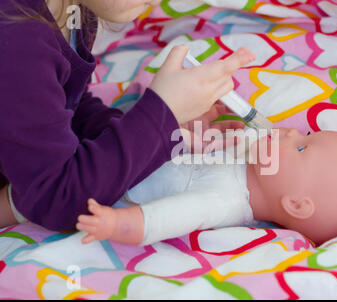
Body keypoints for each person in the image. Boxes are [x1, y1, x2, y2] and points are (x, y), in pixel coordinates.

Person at [0, 0, 255, 230]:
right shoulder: (18, 41)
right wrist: (160, 114)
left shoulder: (72, 10)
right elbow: (58, 199)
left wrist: (155, 126)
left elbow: (66, 102)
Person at [76, 128, 337, 246]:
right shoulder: (250, 161)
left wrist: (116, 223)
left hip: (102, 183)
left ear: (296, 204)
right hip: (118, 146)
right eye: (305, 133)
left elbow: (163, 217)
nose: (290, 132)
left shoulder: (223, 201)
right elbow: (197, 146)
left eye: (301, 148)